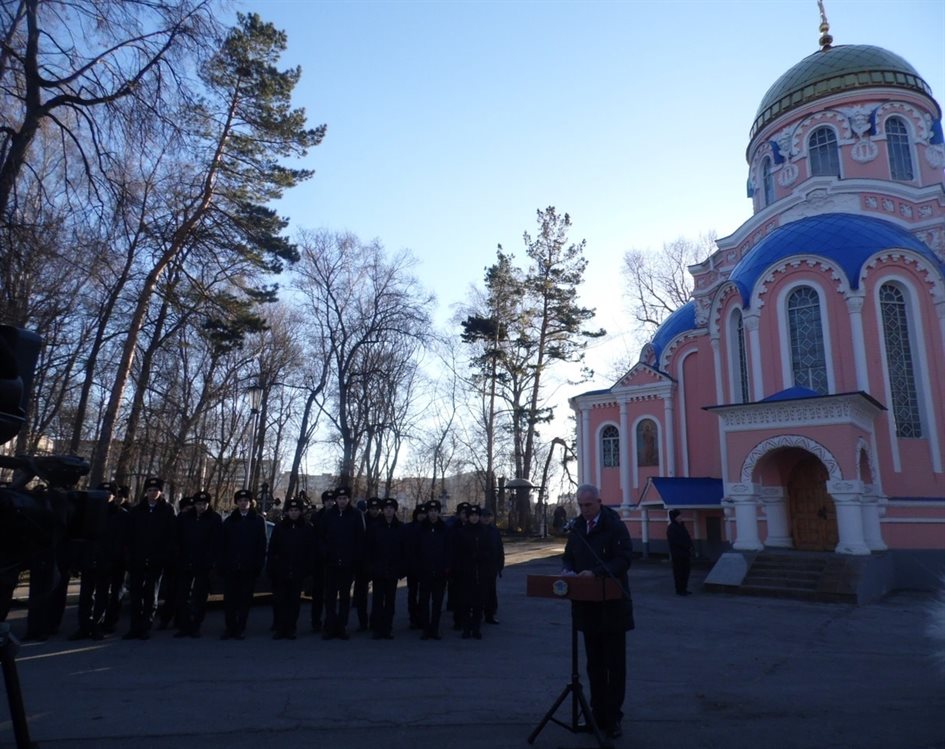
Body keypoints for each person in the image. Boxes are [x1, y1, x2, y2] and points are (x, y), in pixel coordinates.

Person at [561, 483, 634, 740]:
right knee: (594, 665)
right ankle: (597, 715)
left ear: (599, 502)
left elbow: (624, 559)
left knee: (614, 665)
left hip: (613, 606)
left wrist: (597, 573)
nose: (584, 510)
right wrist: (568, 570)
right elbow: (568, 555)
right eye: (580, 506)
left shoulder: (615, 526)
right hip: (587, 606)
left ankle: (613, 718)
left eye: (588, 505)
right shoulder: (577, 527)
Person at [69, 481, 126, 641]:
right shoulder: (88, 512)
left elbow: (121, 541)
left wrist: (115, 560)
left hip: (107, 561)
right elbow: (80, 538)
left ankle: (96, 626)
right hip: (88, 559)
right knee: (85, 596)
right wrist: (77, 560)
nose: (106, 496)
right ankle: (83, 626)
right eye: (103, 493)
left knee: (102, 596)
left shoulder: (120, 515)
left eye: (110, 493)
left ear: (114, 496)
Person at [123, 477, 176, 640]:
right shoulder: (137, 510)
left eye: (156, 490)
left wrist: (164, 556)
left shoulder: (167, 510)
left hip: (156, 559)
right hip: (137, 558)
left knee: (151, 594)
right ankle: (134, 626)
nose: (153, 493)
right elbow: (129, 535)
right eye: (150, 490)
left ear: (161, 492)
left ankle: (146, 626)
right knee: (136, 594)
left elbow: (171, 536)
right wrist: (130, 556)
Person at [219, 489, 267, 640]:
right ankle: (229, 628)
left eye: (246, 500)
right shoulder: (229, 520)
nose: (243, 503)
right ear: (237, 502)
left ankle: (241, 628)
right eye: (240, 500)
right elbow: (222, 545)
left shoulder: (258, 521)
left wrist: (258, 565)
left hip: (249, 567)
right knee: (229, 600)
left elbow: (262, 545)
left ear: (250, 502)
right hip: (231, 567)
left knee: (245, 600)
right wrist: (223, 564)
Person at [174, 490, 222, 638]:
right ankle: (184, 625)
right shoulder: (184, 518)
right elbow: (177, 539)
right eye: (199, 504)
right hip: (185, 562)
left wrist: (211, 561)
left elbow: (217, 542)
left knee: (199, 597)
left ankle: (196, 625)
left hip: (203, 564)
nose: (201, 507)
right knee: (182, 596)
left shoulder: (214, 519)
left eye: (204, 504)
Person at [267, 497, 316, 640]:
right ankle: (280, 627)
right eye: (291, 510)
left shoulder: (307, 528)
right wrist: (272, 567)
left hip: (298, 570)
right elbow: (272, 549)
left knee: (294, 601)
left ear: (301, 512)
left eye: (296, 510)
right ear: (287, 512)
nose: (293, 513)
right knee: (280, 600)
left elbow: (310, 551)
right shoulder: (280, 527)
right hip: (281, 570)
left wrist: (308, 569)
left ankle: (291, 628)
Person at [320, 486, 365, 640]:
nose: (341, 501)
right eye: (339, 499)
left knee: (345, 597)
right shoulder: (328, 515)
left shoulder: (356, 515)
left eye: (344, 498)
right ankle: (330, 626)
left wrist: (355, 558)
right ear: (336, 500)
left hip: (348, 563)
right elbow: (322, 537)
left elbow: (360, 539)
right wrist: (326, 553)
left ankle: (342, 626)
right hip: (331, 562)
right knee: (330, 597)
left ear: (349, 499)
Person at [365, 497, 406, 639]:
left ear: (395, 510)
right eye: (386, 508)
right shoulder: (375, 527)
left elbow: (404, 550)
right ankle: (377, 628)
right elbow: (369, 549)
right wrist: (371, 568)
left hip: (393, 571)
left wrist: (401, 569)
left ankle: (387, 628)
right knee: (377, 601)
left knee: (390, 601)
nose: (389, 510)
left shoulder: (400, 527)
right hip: (378, 570)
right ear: (383, 510)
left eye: (391, 508)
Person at [415, 498, 449, 641]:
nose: (433, 514)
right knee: (424, 601)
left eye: (435, 511)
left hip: (440, 572)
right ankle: (425, 629)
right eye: (431, 511)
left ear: (439, 512)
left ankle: (434, 629)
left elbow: (449, 550)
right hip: (425, 571)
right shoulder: (421, 528)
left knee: (437, 602)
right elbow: (415, 550)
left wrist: (447, 567)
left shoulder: (445, 529)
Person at [309, 490, 335, 632]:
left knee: (330, 595)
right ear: (324, 502)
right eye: (327, 500)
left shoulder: (338, 515)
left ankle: (329, 621)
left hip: (332, 561)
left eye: (332, 500)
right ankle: (315, 621)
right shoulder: (317, 516)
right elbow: (314, 538)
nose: (330, 502)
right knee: (317, 594)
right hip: (319, 561)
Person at [404, 503, 427, 629]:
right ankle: (413, 617)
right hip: (412, 566)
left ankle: (422, 617)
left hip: (425, 567)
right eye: (420, 514)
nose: (422, 516)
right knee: (412, 594)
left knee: (424, 594)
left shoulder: (429, 528)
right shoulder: (408, 528)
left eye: (424, 514)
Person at [481, 507, 504, 624]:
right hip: (479, 566)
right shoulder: (478, 530)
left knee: (491, 592)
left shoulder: (494, 531)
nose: (486, 518)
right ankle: (477, 614)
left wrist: (500, 565)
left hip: (492, 566)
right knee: (480, 592)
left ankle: (490, 614)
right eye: (484, 516)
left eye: (489, 516)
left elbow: (499, 548)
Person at [667, 509, 694, 596]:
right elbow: (674, 541)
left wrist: (690, 545)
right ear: (675, 518)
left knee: (686, 571)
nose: (681, 517)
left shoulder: (682, 526)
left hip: (685, 553)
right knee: (679, 572)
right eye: (679, 516)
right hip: (678, 554)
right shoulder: (671, 528)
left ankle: (684, 588)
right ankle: (679, 589)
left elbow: (687, 537)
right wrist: (685, 545)